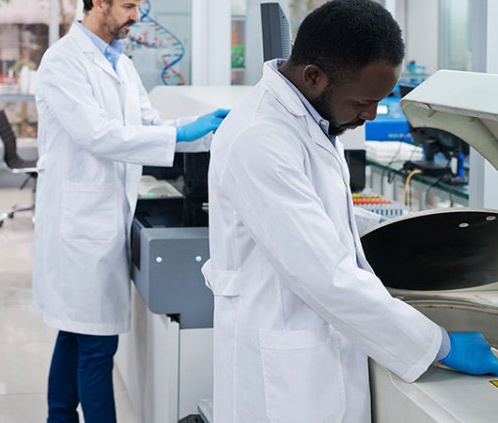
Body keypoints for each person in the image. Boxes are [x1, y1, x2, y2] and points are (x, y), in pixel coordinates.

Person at [203, 1, 498, 422]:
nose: (372, 115)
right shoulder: (261, 138)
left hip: (319, 350)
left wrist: (404, 230)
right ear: (314, 76)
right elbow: (326, 276)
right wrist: (442, 345)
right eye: (363, 101)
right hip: (286, 378)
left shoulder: (312, 116)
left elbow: (318, 217)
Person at [32, 0, 228, 421]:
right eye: (128, 5)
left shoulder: (120, 63)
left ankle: (59, 416)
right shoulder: (62, 62)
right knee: (97, 345)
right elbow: (98, 135)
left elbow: (148, 123)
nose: (137, 16)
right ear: (98, 3)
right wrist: (178, 134)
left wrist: (205, 129)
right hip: (79, 226)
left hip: (101, 217)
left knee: (75, 333)